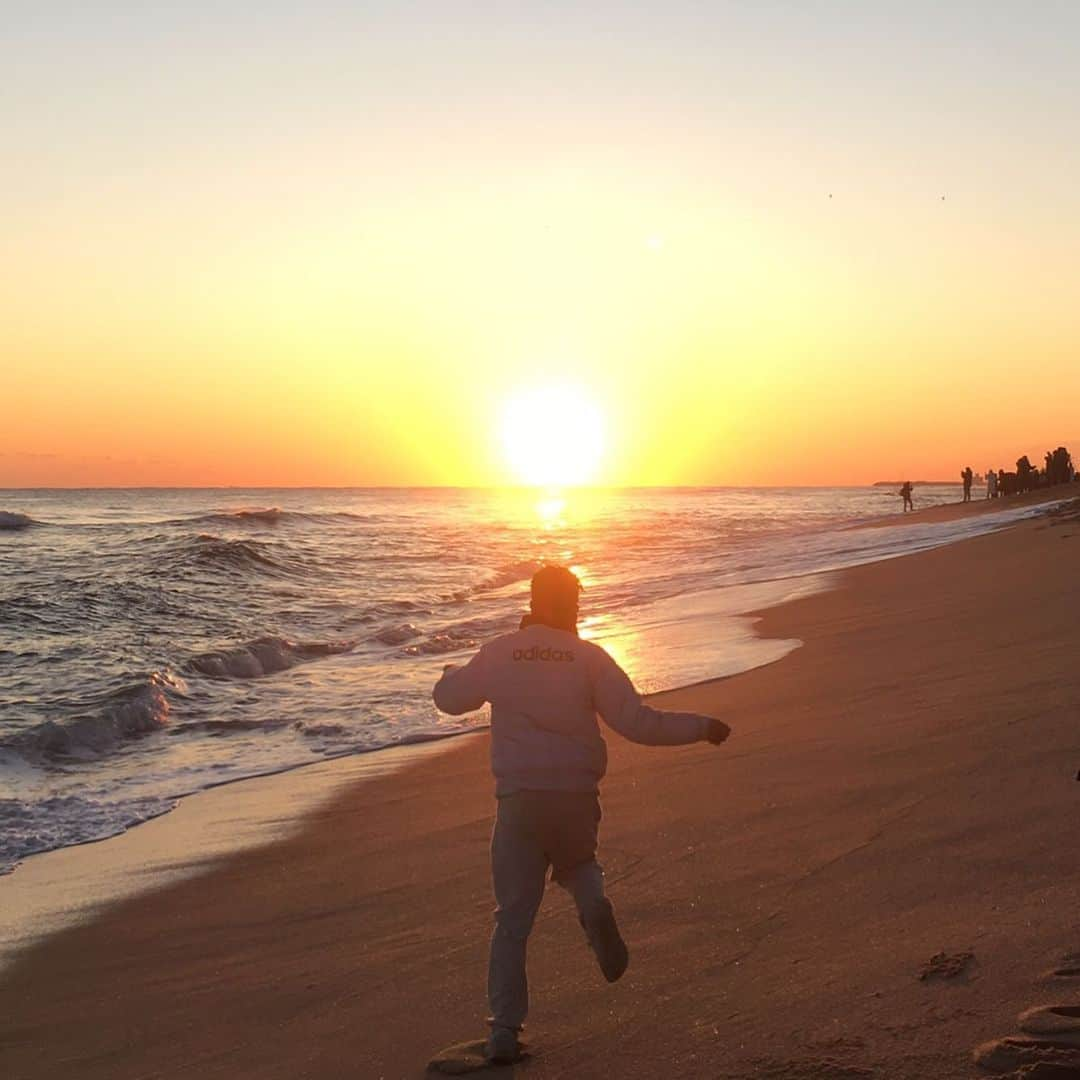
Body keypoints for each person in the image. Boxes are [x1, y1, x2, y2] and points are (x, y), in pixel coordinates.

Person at [432, 564, 731, 1064]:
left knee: (513, 919)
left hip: (519, 801)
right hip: (574, 795)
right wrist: (702, 726)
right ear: (573, 604)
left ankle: (504, 1031)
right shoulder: (589, 657)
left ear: (532, 599)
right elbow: (639, 724)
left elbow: (450, 701)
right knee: (578, 864)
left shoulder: (501, 651)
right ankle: (592, 901)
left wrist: (446, 675)